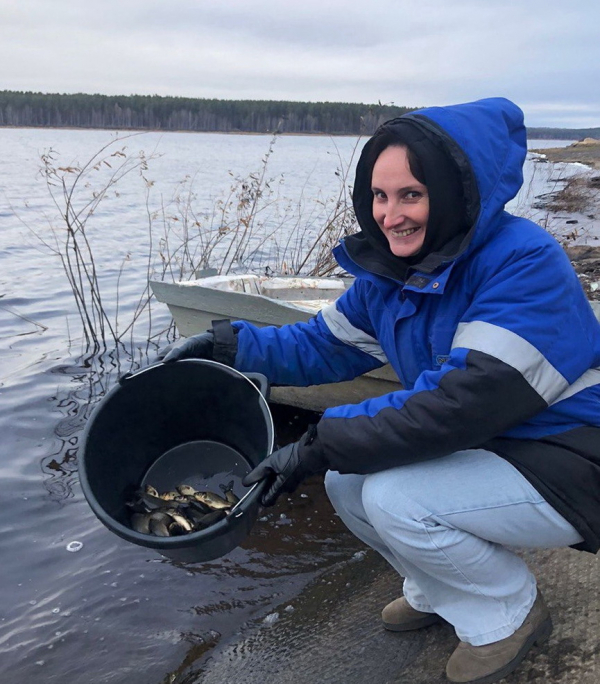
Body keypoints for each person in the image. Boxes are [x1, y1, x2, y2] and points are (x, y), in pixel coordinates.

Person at [157, 97, 600, 684]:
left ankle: (508, 615)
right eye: (380, 196)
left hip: (570, 455)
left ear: (453, 193)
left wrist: (318, 442)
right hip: (501, 442)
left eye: (411, 195)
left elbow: (462, 403)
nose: (391, 215)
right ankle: (441, 590)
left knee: (396, 498)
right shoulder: (394, 274)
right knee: (348, 481)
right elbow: (320, 344)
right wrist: (228, 345)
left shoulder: (523, 263)